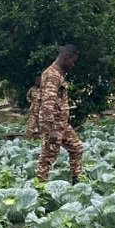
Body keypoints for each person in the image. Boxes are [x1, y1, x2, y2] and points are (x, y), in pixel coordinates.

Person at [36, 45, 83, 184]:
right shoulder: (52, 75)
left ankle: (76, 180)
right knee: (48, 156)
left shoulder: (57, 74)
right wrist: (51, 130)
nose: (72, 65)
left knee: (77, 148)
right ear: (66, 57)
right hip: (54, 125)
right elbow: (47, 103)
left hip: (62, 124)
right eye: (72, 61)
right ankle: (40, 186)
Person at [24, 75, 42, 139]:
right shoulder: (32, 89)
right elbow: (27, 96)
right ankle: (28, 139)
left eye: (39, 81)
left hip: (41, 110)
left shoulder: (44, 89)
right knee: (30, 125)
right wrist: (30, 101)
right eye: (36, 81)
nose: (37, 82)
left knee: (41, 125)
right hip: (33, 110)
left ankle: (41, 139)